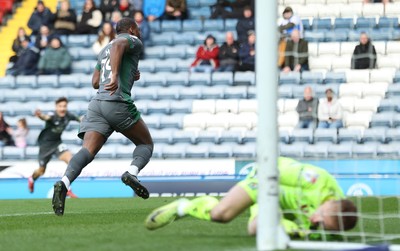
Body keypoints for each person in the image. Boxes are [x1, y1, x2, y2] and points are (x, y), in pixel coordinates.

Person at [52, 18, 154, 216]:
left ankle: (63, 183)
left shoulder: (103, 49)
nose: (139, 32)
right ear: (131, 29)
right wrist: (116, 75)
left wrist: (127, 73)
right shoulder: (130, 40)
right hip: (117, 104)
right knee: (146, 144)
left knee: (87, 151)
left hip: (97, 105)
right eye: (137, 29)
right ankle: (131, 173)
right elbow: (119, 44)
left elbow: (95, 81)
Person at [145, 157, 358, 239]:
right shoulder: (317, 181)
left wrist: (292, 228)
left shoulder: (333, 217)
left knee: (255, 230)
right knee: (221, 215)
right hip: (264, 182)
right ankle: (185, 207)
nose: (316, 221)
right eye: (321, 216)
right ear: (329, 203)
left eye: (322, 225)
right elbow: (274, 171)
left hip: (285, 208)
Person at [28, 97, 80, 197]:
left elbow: (80, 119)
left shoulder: (68, 115)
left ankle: (66, 187)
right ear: (56, 107)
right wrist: (40, 115)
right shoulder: (52, 115)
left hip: (57, 143)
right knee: (41, 171)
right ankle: (32, 179)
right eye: (60, 106)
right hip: (45, 146)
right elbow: (45, 117)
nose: (62, 108)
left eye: (64, 106)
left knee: (71, 161)